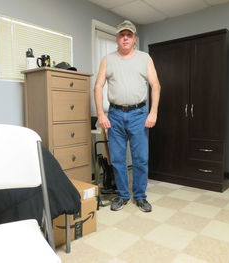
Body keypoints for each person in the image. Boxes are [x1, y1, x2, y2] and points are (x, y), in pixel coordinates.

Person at [94, 20, 161, 212]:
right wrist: (100, 114)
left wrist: (153, 112)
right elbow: (98, 86)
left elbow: (155, 85)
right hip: (114, 115)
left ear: (134, 39)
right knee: (117, 159)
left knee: (140, 159)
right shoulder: (108, 59)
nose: (125, 38)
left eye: (129, 35)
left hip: (139, 114)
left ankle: (140, 196)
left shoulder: (144, 58)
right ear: (117, 38)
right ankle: (123, 195)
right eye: (122, 34)